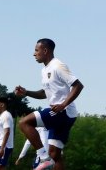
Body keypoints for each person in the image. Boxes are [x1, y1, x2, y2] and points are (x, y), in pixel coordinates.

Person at [14, 39, 84, 170]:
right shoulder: (44, 70)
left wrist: (63, 104)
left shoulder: (58, 66)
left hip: (63, 112)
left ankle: (43, 157)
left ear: (45, 50)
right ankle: (47, 158)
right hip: (63, 113)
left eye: (36, 50)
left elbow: (78, 86)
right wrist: (26, 92)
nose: (34, 54)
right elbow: (44, 93)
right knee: (55, 154)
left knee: (24, 122)